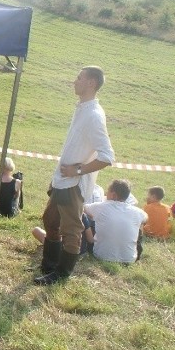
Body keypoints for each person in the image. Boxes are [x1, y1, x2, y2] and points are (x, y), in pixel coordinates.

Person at [35, 66, 115, 285]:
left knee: (71, 231)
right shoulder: (83, 108)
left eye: (79, 78)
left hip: (74, 184)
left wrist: (77, 170)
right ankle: (49, 265)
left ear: (91, 83)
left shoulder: (94, 115)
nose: (74, 81)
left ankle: (61, 275)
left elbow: (107, 156)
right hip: (62, 180)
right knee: (50, 221)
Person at [83, 179, 148, 264]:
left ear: (113, 195)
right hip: (129, 260)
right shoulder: (137, 212)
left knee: (86, 220)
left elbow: (83, 208)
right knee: (138, 228)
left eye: (107, 192)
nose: (105, 195)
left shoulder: (101, 206)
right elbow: (146, 218)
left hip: (101, 256)